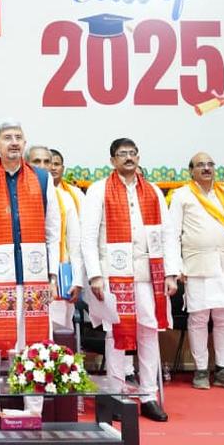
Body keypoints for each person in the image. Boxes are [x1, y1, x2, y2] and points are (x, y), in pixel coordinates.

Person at [0, 123, 61, 391]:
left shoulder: (42, 179)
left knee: (34, 348)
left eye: (18, 137)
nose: (14, 142)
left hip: (34, 280)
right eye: (7, 138)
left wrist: (52, 278)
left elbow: (53, 233)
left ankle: (32, 409)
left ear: (25, 143)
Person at [81, 138, 170, 422]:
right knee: (116, 334)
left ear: (138, 158)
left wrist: (170, 273)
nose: (129, 158)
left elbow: (167, 234)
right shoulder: (98, 190)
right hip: (112, 276)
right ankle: (116, 395)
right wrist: (95, 275)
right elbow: (88, 237)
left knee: (149, 332)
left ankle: (148, 395)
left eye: (133, 153)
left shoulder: (153, 191)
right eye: (122, 154)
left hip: (148, 275)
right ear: (112, 160)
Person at [164, 152, 224, 391]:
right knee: (199, 318)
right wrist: (176, 267)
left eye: (210, 164)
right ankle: (201, 370)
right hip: (197, 266)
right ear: (191, 171)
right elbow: (172, 234)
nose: (206, 168)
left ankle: (223, 369)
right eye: (200, 165)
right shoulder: (182, 195)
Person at [43, 148, 84, 327]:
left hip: (61, 271)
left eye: (54, 163)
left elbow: (75, 242)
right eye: (40, 162)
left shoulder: (66, 198)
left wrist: (77, 279)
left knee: (60, 328)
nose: (50, 167)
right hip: (28, 275)